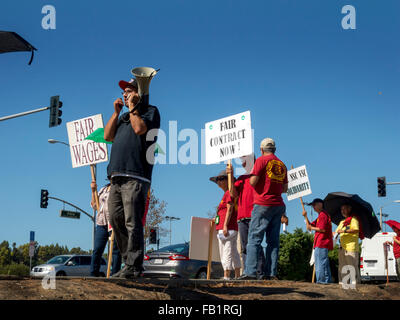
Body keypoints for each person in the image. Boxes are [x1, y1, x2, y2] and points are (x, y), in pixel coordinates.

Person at [104, 78, 160, 279]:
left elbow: (140, 129)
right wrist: (116, 113)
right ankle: (129, 264)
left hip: (136, 176)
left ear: (138, 93)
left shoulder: (150, 111)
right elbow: (108, 136)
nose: (124, 94)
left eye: (129, 91)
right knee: (116, 219)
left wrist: (135, 107)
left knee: (132, 221)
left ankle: (134, 266)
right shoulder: (123, 117)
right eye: (124, 92)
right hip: (116, 177)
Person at [239, 138, 288, 280]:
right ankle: (270, 273)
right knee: (273, 241)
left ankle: (250, 272)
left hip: (263, 203)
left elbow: (253, 181)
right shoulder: (281, 164)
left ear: (261, 150)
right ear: (275, 149)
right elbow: (285, 188)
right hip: (278, 204)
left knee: (254, 238)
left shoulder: (261, 160)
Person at [226, 155, 267, 279]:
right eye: (242, 162)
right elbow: (233, 193)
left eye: (245, 161)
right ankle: (248, 272)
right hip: (242, 217)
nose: (243, 164)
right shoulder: (241, 178)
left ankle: (260, 273)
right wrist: (231, 177)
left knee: (255, 244)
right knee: (245, 246)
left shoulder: (260, 176)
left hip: (255, 215)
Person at [210, 170, 241, 280]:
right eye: (217, 180)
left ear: (227, 180)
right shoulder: (226, 194)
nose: (218, 182)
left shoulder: (229, 193)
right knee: (232, 251)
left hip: (228, 227)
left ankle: (226, 275)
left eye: (221, 179)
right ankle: (237, 275)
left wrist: (225, 225)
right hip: (226, 226)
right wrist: (217, 220)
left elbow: (230, 209)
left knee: (226, 252)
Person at [90, 181, 122, 277]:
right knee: (97, 249)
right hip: (101, 222)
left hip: (113, 223)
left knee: (115, 250)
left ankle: (115, 273)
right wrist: (93, 191)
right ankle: (93, 273)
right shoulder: (103, 189)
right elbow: (94, 205)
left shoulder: (119, 188)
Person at [303, 198, 333, 284]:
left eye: (314, 205)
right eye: (312, 205)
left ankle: (321, 281)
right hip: (319, 243)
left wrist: (311, 228)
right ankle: (326, 281)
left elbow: (322, 229)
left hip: (322, 242)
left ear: (320, 204)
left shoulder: (323, 215)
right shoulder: (321, 215)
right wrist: (305, 216)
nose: (313, 207)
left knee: (320, 263)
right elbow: (310, 225)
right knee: (323, 263)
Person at [335, 203, 361, 285]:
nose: (342, 211)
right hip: (342, 248)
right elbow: (336, 232)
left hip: (351, 248)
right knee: (342, 267)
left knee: (352, 267)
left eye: (344, 209)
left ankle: (355, 284)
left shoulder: (354, 220)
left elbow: (356, 230)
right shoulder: (342, 222)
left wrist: (344, 231)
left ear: (349, 209)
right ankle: (343, 284)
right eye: (341, 209)